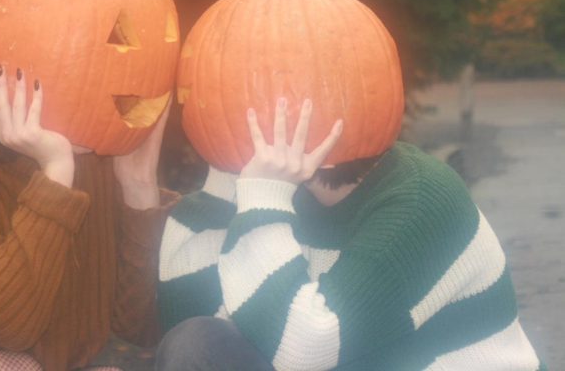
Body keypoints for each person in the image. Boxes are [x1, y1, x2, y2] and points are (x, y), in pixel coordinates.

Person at [156, 98, 544, 370]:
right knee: (197, 341)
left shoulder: (422, 199)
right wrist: (227, 174)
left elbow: (305, 349)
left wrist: (260, 194)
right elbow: (191, 322)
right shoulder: (279, 192)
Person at [0, 64, 177, 371]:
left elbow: (139, 327)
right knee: (10, 367)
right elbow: (10, 327)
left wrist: (138, 187)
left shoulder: (100, 153)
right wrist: (55, 174)